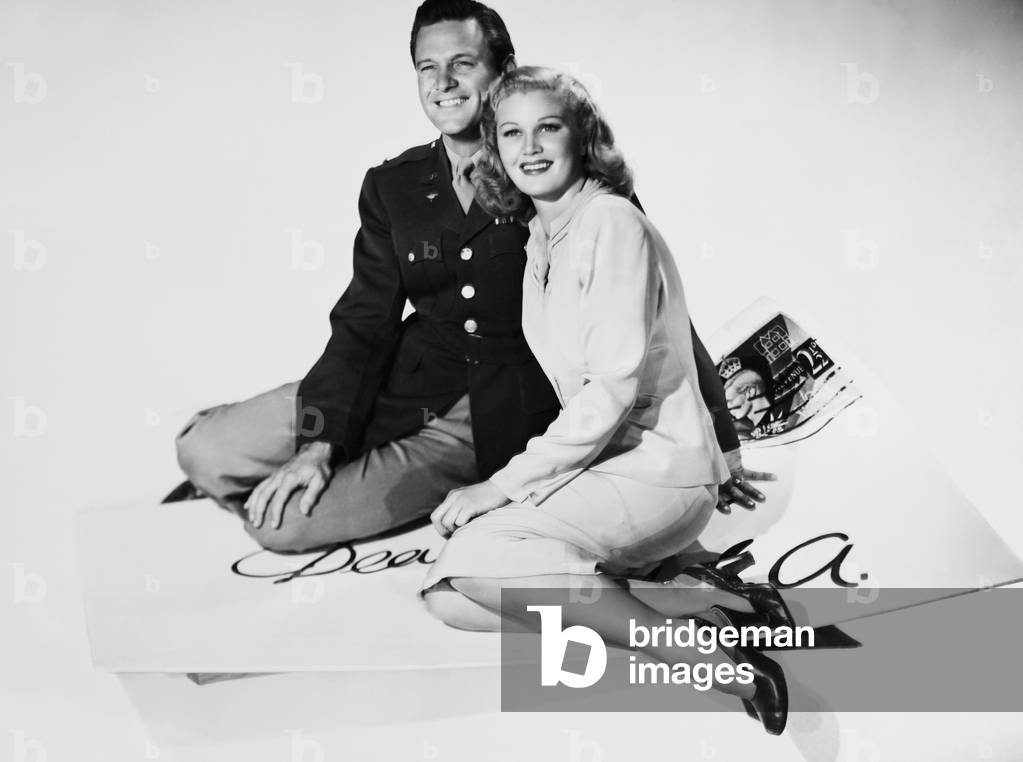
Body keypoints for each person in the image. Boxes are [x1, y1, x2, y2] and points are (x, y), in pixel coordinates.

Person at [168, 0, 769, 555]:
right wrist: (318, 444)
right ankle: (300, 452)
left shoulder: (554, 169)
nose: (442, 83)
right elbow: (364, 321)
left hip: (496, 418)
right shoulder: (392, 184)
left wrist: (720, 439)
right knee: (203, 451)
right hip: (402, 379)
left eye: (462, 63)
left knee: (278, 526)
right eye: (427, 67)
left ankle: (312, 482)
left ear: (502, 70)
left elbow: (660, 309)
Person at [420, 67, 787, 734]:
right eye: (511, 133)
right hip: (608, 470)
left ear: (582, 138)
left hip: (659, 473)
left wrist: (500, 486)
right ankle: (718, 610)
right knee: (452, 599)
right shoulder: (540, 238)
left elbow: (612, 385)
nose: (529, 147)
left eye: (548, 127)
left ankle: (709, 660)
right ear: (495, 148)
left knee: (482, 553)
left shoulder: (611, 222)